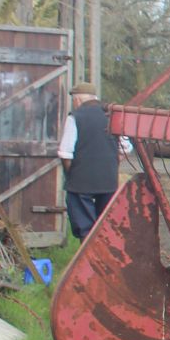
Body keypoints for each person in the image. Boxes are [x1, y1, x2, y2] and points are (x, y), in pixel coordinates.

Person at [59, 83, 120, 241]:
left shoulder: (75, 117)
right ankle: (104, 259)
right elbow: (126, 148)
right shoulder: (113, 115)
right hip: (108, 180)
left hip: (81, 182)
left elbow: (65, 152)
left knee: (85, 229)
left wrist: (71, 175)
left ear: (77, 100)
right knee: (105, 226)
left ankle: (87, 258)